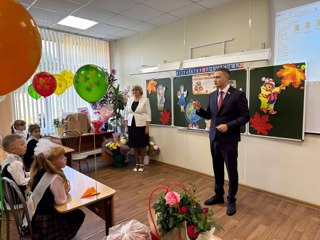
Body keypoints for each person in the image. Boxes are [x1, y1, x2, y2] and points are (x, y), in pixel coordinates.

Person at [193, 67, 250, 216]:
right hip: (214, 139)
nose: (214, 79)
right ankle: (219, 196)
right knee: (217, 169)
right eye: (214, 77)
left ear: (226, 78)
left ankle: (231, 199)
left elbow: (245, 116)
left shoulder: (238, 95)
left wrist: (228, 126)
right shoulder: (212, 95)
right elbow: (210, 115)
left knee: (231, 170)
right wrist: (199, 110)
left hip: (229, 140)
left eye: (217, 77)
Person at [27, 139, 85, 239]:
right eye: (62, 157)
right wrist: (65, 192)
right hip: (47, 220)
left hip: (35, 214)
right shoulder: (55, 177)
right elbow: (60, 201)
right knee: (78, 214)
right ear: (52, 162)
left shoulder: (41, 170)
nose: (66, 158)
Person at [125, 85, 151, 172]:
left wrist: (147, 127)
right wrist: (126, 126)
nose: (134, 92)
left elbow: (148, 114)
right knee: (134, 145)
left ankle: (142, 164)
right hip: (131, 125)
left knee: (141, 145)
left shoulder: (145, 100)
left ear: (140, 91)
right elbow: (126, 114)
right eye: (133, 91)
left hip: (141, 125)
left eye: (136, 91)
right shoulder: (129, 100)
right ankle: (136, 163)